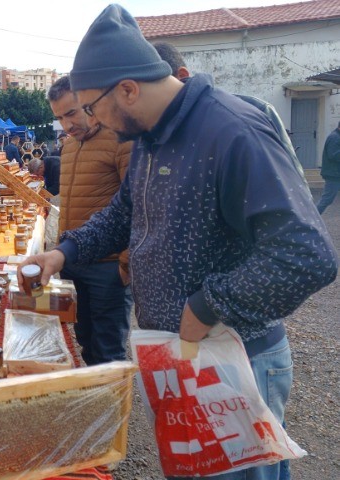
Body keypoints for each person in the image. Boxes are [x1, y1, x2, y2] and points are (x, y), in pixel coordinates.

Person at [25, 5, 337, 479]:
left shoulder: (230, 130)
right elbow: (124, 214)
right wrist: (63, 251)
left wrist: (210, 304)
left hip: (235, 356)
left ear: (127, 89)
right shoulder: (152, 135)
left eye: (92, 107)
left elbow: (306, 254)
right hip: (176, 353)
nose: (94, 120)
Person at [45, 75, 132, 366]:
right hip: (74, 263)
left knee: (109, 350)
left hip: (108, 268)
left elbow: (138, 209)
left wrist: (125, 265)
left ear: (90, 102)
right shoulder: (68, 147)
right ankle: (95, 407)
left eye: (72, 112)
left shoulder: (122, 140)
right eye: (60, 117)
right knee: (84, 339)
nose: (67, 124)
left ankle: (113, 409)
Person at [152, 41, 306, 182]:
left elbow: (293, 181)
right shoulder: (151, 129)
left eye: (154, 87)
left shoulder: (256, 111)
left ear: (182, 75)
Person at [317, 121, 340, 214]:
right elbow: (333, 155)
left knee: (327, 199)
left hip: (336, 173)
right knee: (327, 199)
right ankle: (310, 220)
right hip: (334, 174)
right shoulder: (334, 138)